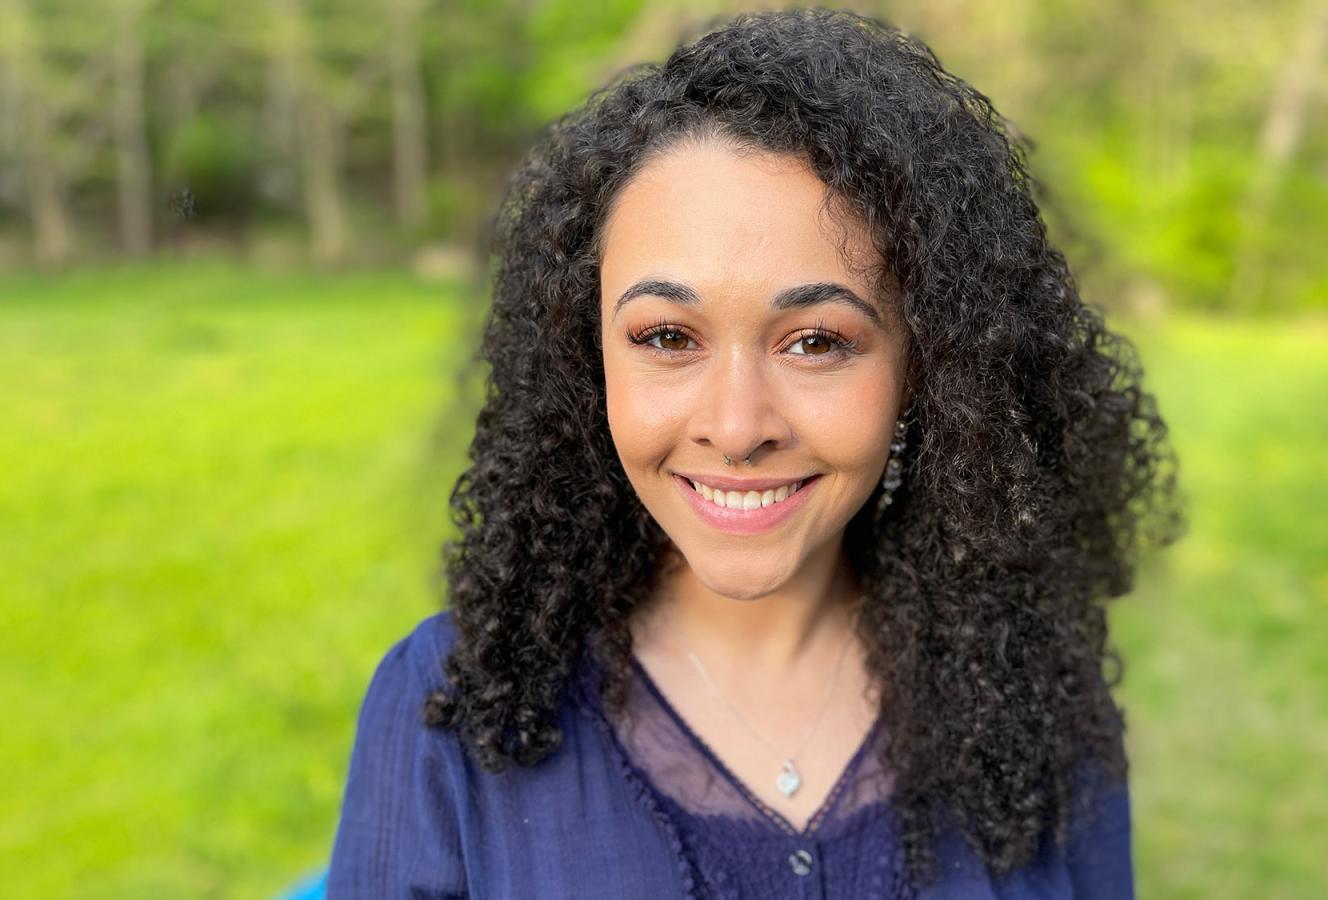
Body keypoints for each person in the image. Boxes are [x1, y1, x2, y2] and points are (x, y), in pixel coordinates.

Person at [326, 7, 1181, 898]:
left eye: (815, 341)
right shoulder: (449, 710)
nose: (737, 428)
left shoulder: (1036, 699)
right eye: (666, 336)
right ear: (586, 358)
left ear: (930, 366)